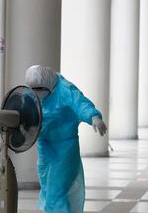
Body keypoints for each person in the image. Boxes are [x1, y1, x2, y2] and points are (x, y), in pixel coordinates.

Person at [25, 65, 107, 213]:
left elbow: (80, 103)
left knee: (57, 189)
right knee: (47, 186)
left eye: (38, 91)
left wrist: (93, 117)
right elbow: (23, 108)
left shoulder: (65, 89)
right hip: (44, 144)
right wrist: (7, 122)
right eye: (32, 91)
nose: (35, 95)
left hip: (65, 147)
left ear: (48, 86)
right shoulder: (33, 91)